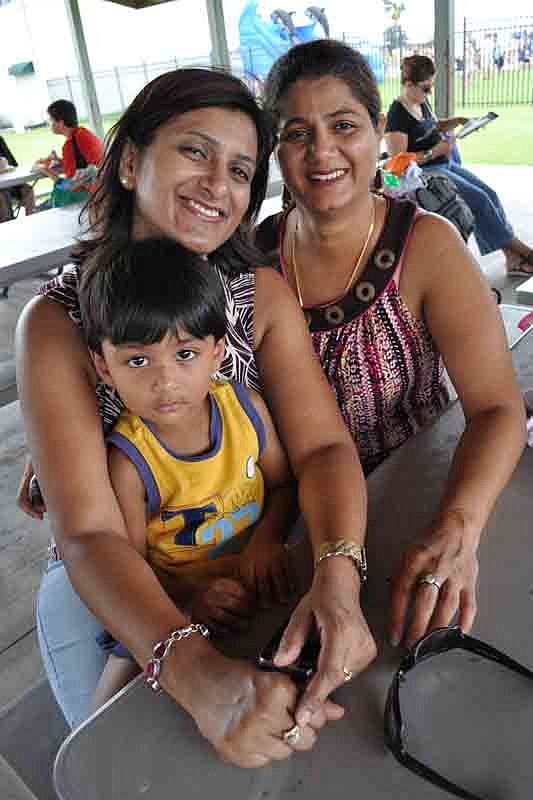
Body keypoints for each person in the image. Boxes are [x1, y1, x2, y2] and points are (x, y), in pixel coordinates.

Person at [16, 67, 375, 766]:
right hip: (116, 575)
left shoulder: (257, 297)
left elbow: (323, 450)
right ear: (128, 162)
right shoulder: (58, 323)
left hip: (241, 539)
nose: (218, 184)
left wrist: (338, 569)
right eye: (194, 151)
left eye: (240, 169)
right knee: (122, 763)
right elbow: (90, 532)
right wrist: (189, 668)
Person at [258, 40, 526, 650]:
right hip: (303, 525)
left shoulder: (426, 247)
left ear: (379, 131)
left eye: (343, 126)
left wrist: (460, 525)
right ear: (277, 148)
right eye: (298, 133)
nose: (322, 151)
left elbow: (496, 408)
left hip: (419, 495)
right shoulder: (253, 260)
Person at [78, 236, 298, 708]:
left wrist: (266, 542)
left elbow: (283, 487)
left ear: (217, 352)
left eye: (185, 354)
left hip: (263, 580)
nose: (165, 381)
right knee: (111, 708)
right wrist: (192, 599)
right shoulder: (130, 461)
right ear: (104, 366)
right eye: (138, 361)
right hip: (183, 609)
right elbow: (130, 567)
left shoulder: (246, 411)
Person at [384, 55, 533, 276]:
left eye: (431, 87)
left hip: (444, 163)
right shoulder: (397, 114)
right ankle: (521, 251)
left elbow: (432, 127)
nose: (429, 93)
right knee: (479, 201)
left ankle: (511, 256)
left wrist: (460, 121)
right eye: (426, 88)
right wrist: (435, 151)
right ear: (408, 85)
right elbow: (398, 162)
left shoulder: (420, 102)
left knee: (489, 194)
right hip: (425, 173)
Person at [36, 99, 103, 191]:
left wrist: (44, 170)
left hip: (92, 196)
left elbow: (68, 186)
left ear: (61, 123)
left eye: (50, 120)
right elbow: (83, 166)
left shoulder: (70, 145)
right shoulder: (83, 133)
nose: (49, 124)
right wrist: (61, 161)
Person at [0, 135, 35, 219]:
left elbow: (12, 163)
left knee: (28, 190)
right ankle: (8, 225)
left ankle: (31, 220)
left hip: (8, 182)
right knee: (2, 196)